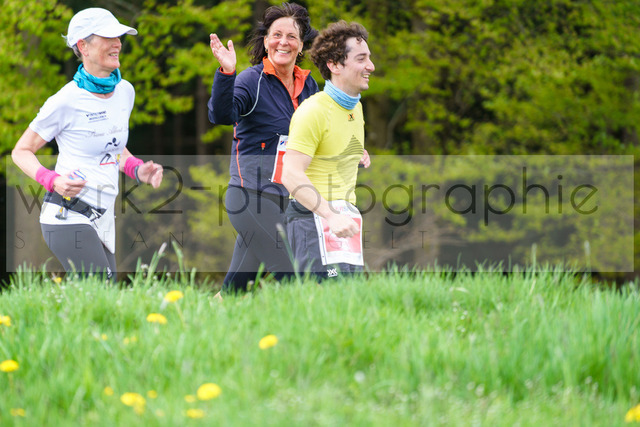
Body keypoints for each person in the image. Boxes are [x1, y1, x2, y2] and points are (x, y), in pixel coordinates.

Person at [11, 8, 163, 281]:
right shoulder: (65, 100)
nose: (117, 43)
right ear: (83, 46)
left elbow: (112, 147)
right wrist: (52, 180)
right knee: (101, 288)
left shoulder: (125, 92)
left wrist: (137, 169)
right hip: (67, 214)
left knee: (102, 298)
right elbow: (21, 151)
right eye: (108, 37)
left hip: (103, 217)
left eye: (119, 37)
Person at [207, 2, 319, 293]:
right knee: (293, 273)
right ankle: (310, 319)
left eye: (291, 36)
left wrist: (350, 151)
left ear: (301, 45)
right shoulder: (251, 81)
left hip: (288, 198)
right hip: (250, 197)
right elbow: (221, 115)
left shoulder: (309, 86)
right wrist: (226, 73)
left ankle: (207, 313)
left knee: (237, 288)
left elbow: (321, 134)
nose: (283, 42)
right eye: (276, 35)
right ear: (266, 40)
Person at [281, 20, 374, 281]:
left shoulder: (355, 107)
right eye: (361, 59)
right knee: (321, 299)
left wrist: (353, 152)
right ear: (334, 65)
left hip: (345, 217)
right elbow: (290, 175)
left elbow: (330, 144)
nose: (371, 66)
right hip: (314, 217)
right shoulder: (313, 111)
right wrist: (330, 216)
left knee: (349, 300)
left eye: (369, 57)